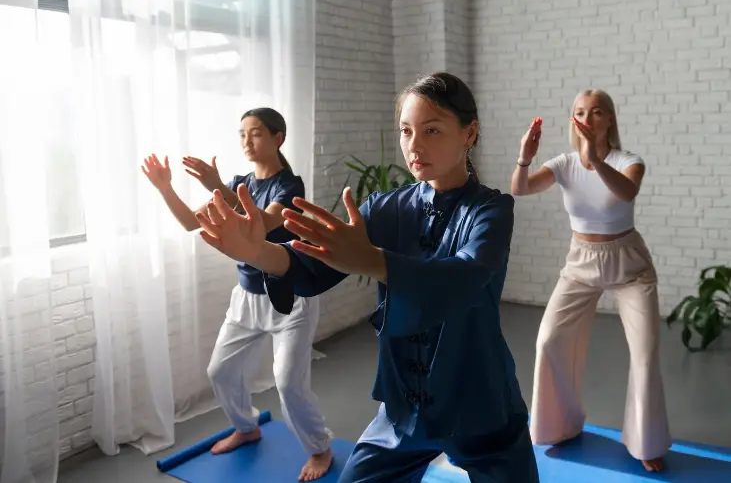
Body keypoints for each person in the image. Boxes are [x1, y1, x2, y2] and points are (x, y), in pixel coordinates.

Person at [194, 72, 540, 483]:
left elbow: (463, 277)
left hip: (480, 404)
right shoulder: (385, 207)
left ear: (470, 133)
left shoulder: (491, 210)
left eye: (432, 130)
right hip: (404, 409)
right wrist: (260, 252)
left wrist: (375, 261)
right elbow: (313, 266)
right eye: (406, 131)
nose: (415, 144)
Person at [140, 107, 333, 482]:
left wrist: (217, 187)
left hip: (289, 298)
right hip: (247, 298)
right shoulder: (240, 181)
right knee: (221, 371)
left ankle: (319, 447)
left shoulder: (289, 186)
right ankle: (246, 427)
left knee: (288, 383)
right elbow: (188, 222)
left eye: (256, 133)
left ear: (278, 138)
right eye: (242, 134)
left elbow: (258, 224)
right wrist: (165, 187)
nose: (247, 141)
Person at [510, 90, 671, 472]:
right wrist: (525, 157)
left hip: (629, 265)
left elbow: (626, 192)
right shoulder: (564, 164)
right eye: (580, 111)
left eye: (597, 111)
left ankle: (645, 443)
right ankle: (559, 427)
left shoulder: (629, 162)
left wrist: (597, 161)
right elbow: (520, 188)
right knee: (549, 339)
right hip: (581, 263)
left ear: (610, 120)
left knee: (645, 353)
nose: (588, 117)